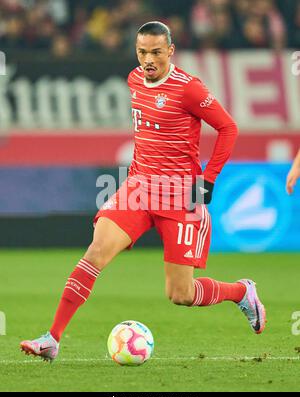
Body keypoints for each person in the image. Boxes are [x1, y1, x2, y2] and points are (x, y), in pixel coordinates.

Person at [20, 21, 266, 362]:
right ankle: (52, 338)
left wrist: (208, 179)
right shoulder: (134, 79)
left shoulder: (189, 89)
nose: (147, 59)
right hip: (138, 188)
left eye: (155, 52)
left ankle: (241, 292)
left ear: (170, 52)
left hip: (180, 197)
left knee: (180, 293)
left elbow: (228, 127)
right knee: (95, 252)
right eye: (141, 52)